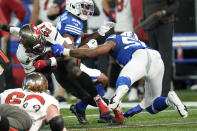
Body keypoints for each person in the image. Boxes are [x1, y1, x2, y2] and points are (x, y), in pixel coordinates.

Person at [51, 31, 189, 124]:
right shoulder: (139, 43)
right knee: (152, 105)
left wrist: (66, 51)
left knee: (123, 79)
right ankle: (169, 100)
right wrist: (138, 108)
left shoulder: (115, 39)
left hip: (139, 57)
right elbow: (144, 68)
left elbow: (92, 53)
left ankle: (116, 99)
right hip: (156, 58)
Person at [0, 21, 112, 124]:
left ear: (41, 34)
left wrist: (67, 52)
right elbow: (33, 75)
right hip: (48, 67)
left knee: (74, 69)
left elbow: (68, 54)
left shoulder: (47, 29)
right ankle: (37, 112)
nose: (39, 48)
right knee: (82, 95)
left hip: (62, 56)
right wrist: (47, 64)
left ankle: (100, 100)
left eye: (39, 43)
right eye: (35, 47)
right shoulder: (22, 54)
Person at [56, 0, 115, 124]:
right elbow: (70, 53)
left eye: (88, 7)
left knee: (102, 80)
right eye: (83, 6)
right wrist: (88, 47)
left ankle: (81, 109)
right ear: (73, 5)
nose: (86, 10)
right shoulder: (70, 21)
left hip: (71, 63)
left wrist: (98, 33)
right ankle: (93, 110)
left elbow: (80, 38)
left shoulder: (72, 18)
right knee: (93, 91)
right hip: (67, 67)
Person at [102, 0, 146, 101]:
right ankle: (111, 88)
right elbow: (104, 2)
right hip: (119, 28)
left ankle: (134, 89)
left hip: (132, 29)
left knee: (134, 60)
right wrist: (111, 13)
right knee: (113, 61)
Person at [0, 72, 67, 131]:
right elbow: (57, 121)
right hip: (23, 119)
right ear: (44, 85)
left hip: (4, 111)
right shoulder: (48, 98)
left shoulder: (10, 91)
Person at [142, 0, 180, 97]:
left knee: (164, 60)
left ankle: (164, 93)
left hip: (164, 25)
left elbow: (175, 4)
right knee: (152, 61)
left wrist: (164, 12)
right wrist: (144, 19)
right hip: (150, 27)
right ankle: (153, 92)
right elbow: (145, 6)